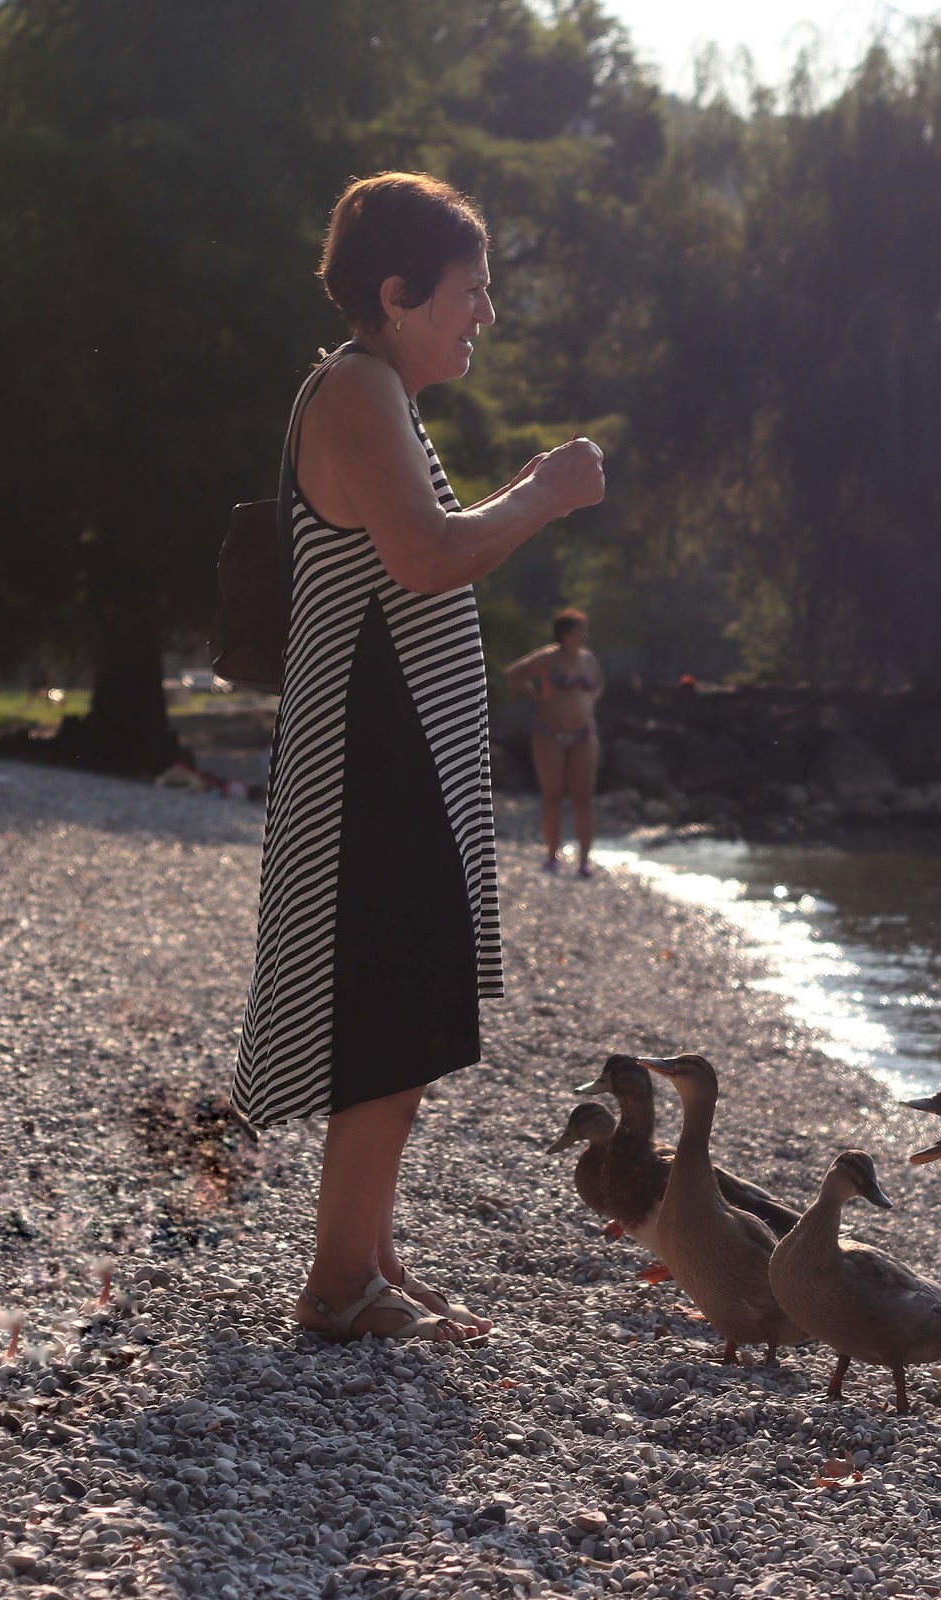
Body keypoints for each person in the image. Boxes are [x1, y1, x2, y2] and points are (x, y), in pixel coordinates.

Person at [234, 172, 605, 1344]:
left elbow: (420, 552)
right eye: (470, 290)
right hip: (368, 762)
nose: (484, 313)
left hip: (390, 758)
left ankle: (371, 1258)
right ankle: (341, 1287)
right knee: (392, 1017)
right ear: (397, 295)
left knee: (399, 1012)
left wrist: (526, 498)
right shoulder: (353, 389)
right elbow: (426, 558)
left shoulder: (373, 387)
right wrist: (541, 496)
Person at [504, 609, 605, 876]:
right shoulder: (550, 658)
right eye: (578, 630)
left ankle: (584, 860)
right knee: (553, 795)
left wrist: (587, 703)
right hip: (549, 732)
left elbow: (599, 686)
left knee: (584, 797)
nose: (583, 635)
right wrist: (538, 697)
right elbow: (513, 675)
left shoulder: (589, 659)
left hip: (583, 734)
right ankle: (552, 855)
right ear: (563, 633)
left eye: (585, 630)